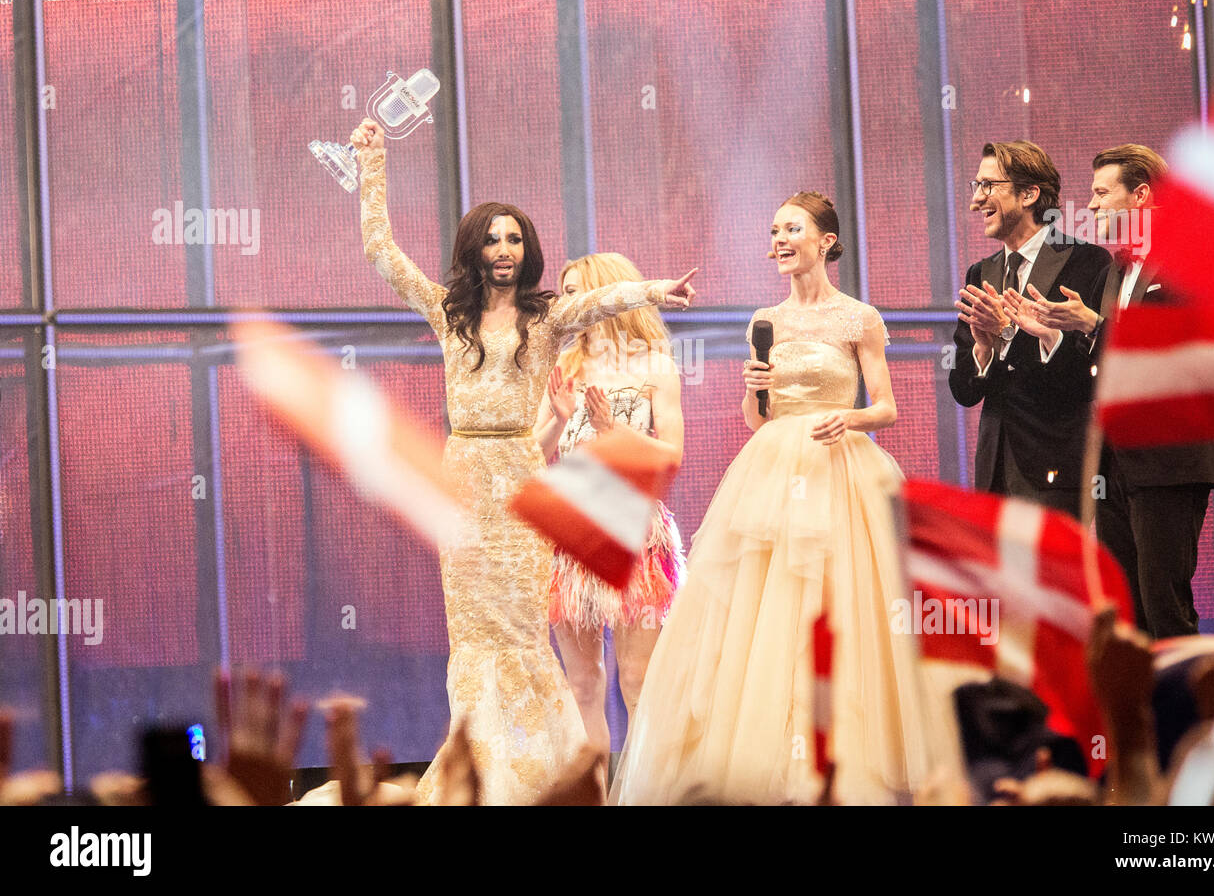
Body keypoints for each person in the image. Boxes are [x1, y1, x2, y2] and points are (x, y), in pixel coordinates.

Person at [351, 119, 698, 804]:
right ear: (475, 248)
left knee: (521, 634)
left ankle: (543, 774)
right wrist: (372, 164)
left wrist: (654, 290)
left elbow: (598, 298)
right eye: (492, 237)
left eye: (514, 238)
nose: (503, 248)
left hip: (519, 472)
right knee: (473, 635)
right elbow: (381, 252)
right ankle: (478, 768)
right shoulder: (449, 314)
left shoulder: (545, 320)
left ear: (526, 249)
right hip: (461, 476)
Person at [612, 192, 964, 805]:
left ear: (825, 241)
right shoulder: (763, 320)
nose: (779, 239)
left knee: (845, 605)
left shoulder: (859, 318)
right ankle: (775, 764)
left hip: (842, 470)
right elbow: (756, 419)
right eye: (774, 229)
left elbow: (885, 404)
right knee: (767, 610)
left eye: (792, 228)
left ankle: (843, 760)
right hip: (772, 467)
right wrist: (757, 391)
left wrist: (849, 420)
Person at [1022, 144, 1214, 637]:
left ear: (1142, 196)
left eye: (1100, 193)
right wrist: (1055, 333)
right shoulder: (1116, 268)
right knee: (1127, 614)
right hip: (1115, 463)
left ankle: (1186, 713)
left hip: (1168, 460)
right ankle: (1138, 714)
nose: (1089, 207)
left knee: (1165, 608)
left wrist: (1095, 323)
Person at [532, 252, 687, 766]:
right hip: (572, 529)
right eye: (565, 292)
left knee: (638, 678)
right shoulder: (564, 366)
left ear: (608, 295)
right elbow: (534, 448)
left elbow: (671, 456)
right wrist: (558, 420)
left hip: (632, 528)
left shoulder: (655, 365)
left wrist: (613, 431)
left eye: (579, 292)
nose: (569, 304)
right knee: (581, 683)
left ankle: (648, 791)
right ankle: (590, 794)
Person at [950, 140, 1111, 518]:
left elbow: (1087, 375)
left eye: (989, 186)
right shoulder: (981, 272)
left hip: (1057, 466)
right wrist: (984, 349)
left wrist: (1010, 334)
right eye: (976, 187)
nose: (977, 201)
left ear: (1028, 193)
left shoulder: (1087, 261)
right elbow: (963, 390)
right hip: (994, 469)